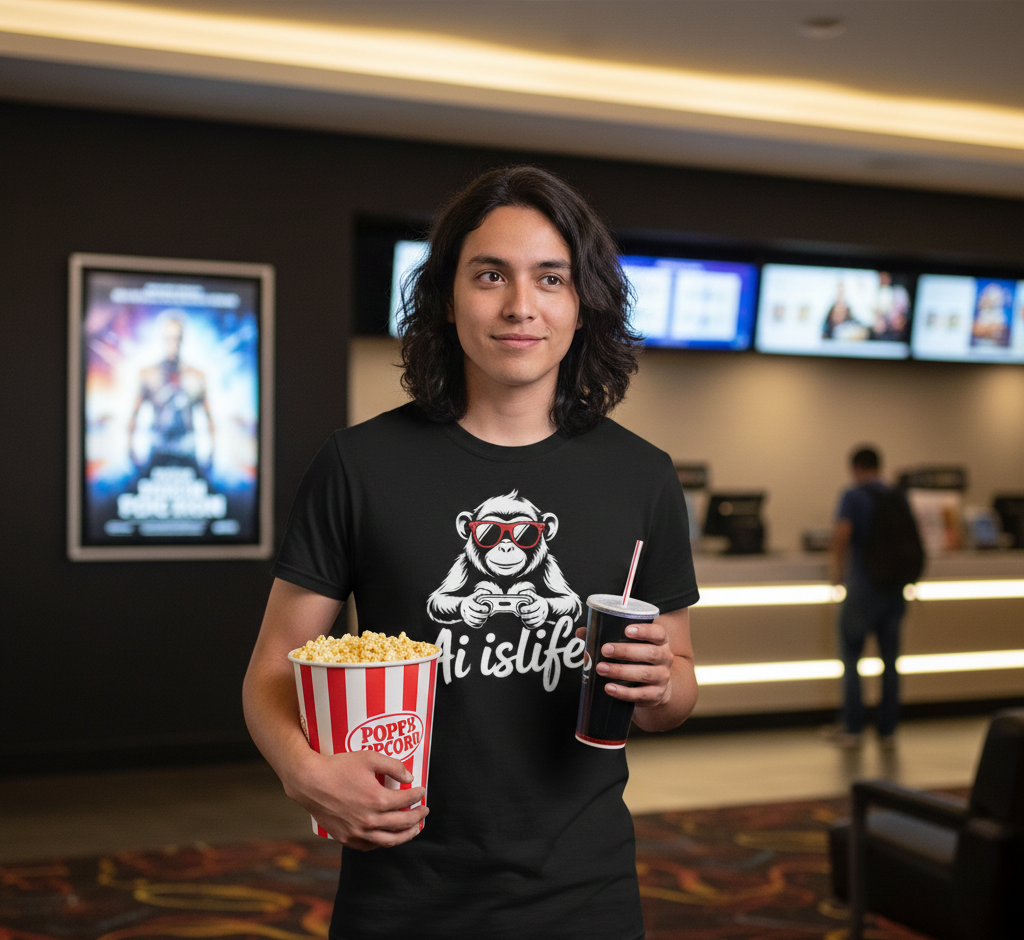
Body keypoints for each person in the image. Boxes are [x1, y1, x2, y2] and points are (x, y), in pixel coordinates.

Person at [242, 165, 700, 940]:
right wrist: (304, 771)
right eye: (491, 275)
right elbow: (270, 671)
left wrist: (661, 688)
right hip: (401, 889)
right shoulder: (359, 464)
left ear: (581, 303)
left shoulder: (644, 477)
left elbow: (679, 687)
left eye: (549, 278)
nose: (520, 305)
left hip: (583, 894)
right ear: (447, 297)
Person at [827, 445, 906, 749]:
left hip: (862, 591)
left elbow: (841, 537)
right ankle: (887, 730)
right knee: (890, 662)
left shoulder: (853, 496)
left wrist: (837, 578)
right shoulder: (897, 496)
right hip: (894, 590)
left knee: (851, 658)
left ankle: (853, 728)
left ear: (856, 468)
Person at [127, 313, 214, 476]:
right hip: (158, 448)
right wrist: (130, 449)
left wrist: (212, 452)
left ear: (183, 340)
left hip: (187, 449)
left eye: (177, 338)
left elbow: (209, 417)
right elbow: (134, 415)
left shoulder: (196, 377)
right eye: (169, 338)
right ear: (163, 339)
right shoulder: (149, 375)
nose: (173, 343)